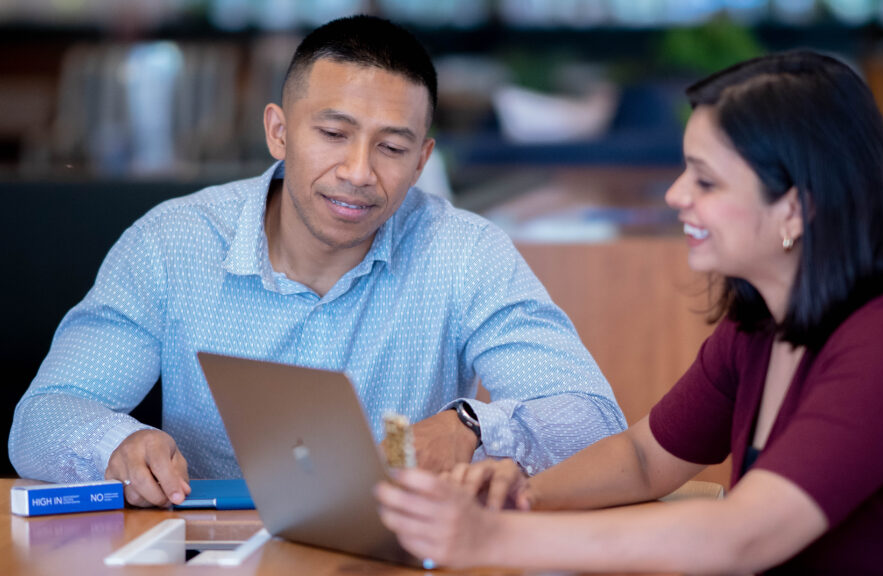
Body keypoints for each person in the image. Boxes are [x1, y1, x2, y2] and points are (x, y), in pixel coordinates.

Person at [375, 51, 883, 574]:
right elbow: (645, 460)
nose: (676, 195)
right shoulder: (758, 324)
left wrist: (488, 540)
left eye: (705, 180)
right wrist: (517, 497)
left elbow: (738, 539)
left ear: (796, 208)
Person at [8, 15, 625, 508]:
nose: (358, 173)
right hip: (209, 549)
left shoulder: (465, 252)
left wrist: (472, 424)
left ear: (421, 160)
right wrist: (116, 442)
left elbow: (595, 419)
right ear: (279, 131)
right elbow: (40, 417)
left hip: (397, 556)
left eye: (391, 147)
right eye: (332, 134)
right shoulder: (174, 243)